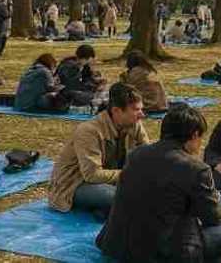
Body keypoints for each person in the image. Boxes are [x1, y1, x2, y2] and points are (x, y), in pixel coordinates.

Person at [96, 104, 221, 262]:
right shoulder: (196, 169)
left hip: (117, 245)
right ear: (195, 135)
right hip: (163, 252)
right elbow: (213, 217)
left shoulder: (136, 154)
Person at [49, 83, 149, 217]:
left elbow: (148, 155)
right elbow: (92, 175)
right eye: (136, 110)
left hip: (111, 178)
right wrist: (130, 175)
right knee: (127, 198)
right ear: (116, 111)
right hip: (76, 184)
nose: (141, 115)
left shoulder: (134, 124)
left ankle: (104, 210)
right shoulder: (89, 131)